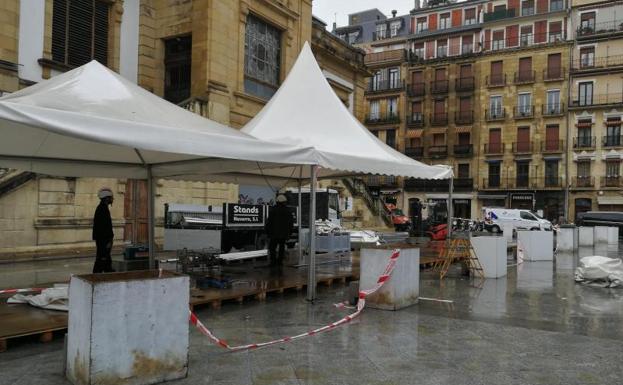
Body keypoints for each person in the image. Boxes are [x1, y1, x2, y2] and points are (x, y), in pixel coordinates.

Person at [265, 194, 294, 268]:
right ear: (284, 202)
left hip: (274, 234)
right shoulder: (288, 211)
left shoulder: (273, 210)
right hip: (283, 234)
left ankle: (273, 262)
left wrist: (268, 232)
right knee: (281, 247)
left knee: (272, 248)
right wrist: (289, 233)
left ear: (277, 201)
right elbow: (291, 224)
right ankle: (280, 262)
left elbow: (269, 223)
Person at [92, 187, 115, 273]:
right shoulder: (102, 209)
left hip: (103, 240)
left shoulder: (102, 208)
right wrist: (108, 240)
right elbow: (104, 227)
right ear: (107, 198)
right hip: (103, 240)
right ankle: (96, 277)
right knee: (102, 260)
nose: (112, 199)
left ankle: (108, 273)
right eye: (111, 197)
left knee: (105, 260)